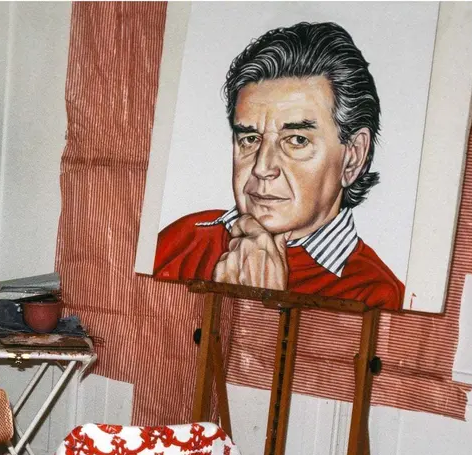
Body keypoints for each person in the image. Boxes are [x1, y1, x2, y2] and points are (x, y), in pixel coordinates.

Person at [153, 21, 404, 310]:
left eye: (297, 140)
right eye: (250, 139)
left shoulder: (377, 294)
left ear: (353, 157)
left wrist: (260, 307)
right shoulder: (182, 240)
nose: (262, 167)